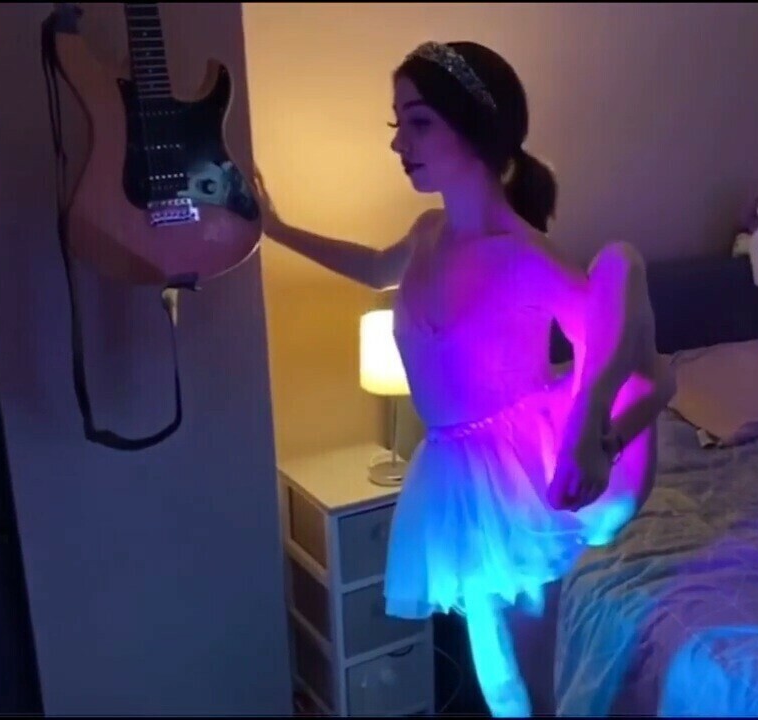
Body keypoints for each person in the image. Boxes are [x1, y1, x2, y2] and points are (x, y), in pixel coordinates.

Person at [255, 40, 675, 717]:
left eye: (418, 122)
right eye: (397, 123)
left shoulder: (524, 259)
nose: (399, 143)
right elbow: (374, 267)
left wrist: (604, 437)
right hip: (455, 465)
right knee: (499, 682)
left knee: (526, 690)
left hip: (522, 477)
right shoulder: (428, 232)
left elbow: (651, 374)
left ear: (475, 126)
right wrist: (273, 228)